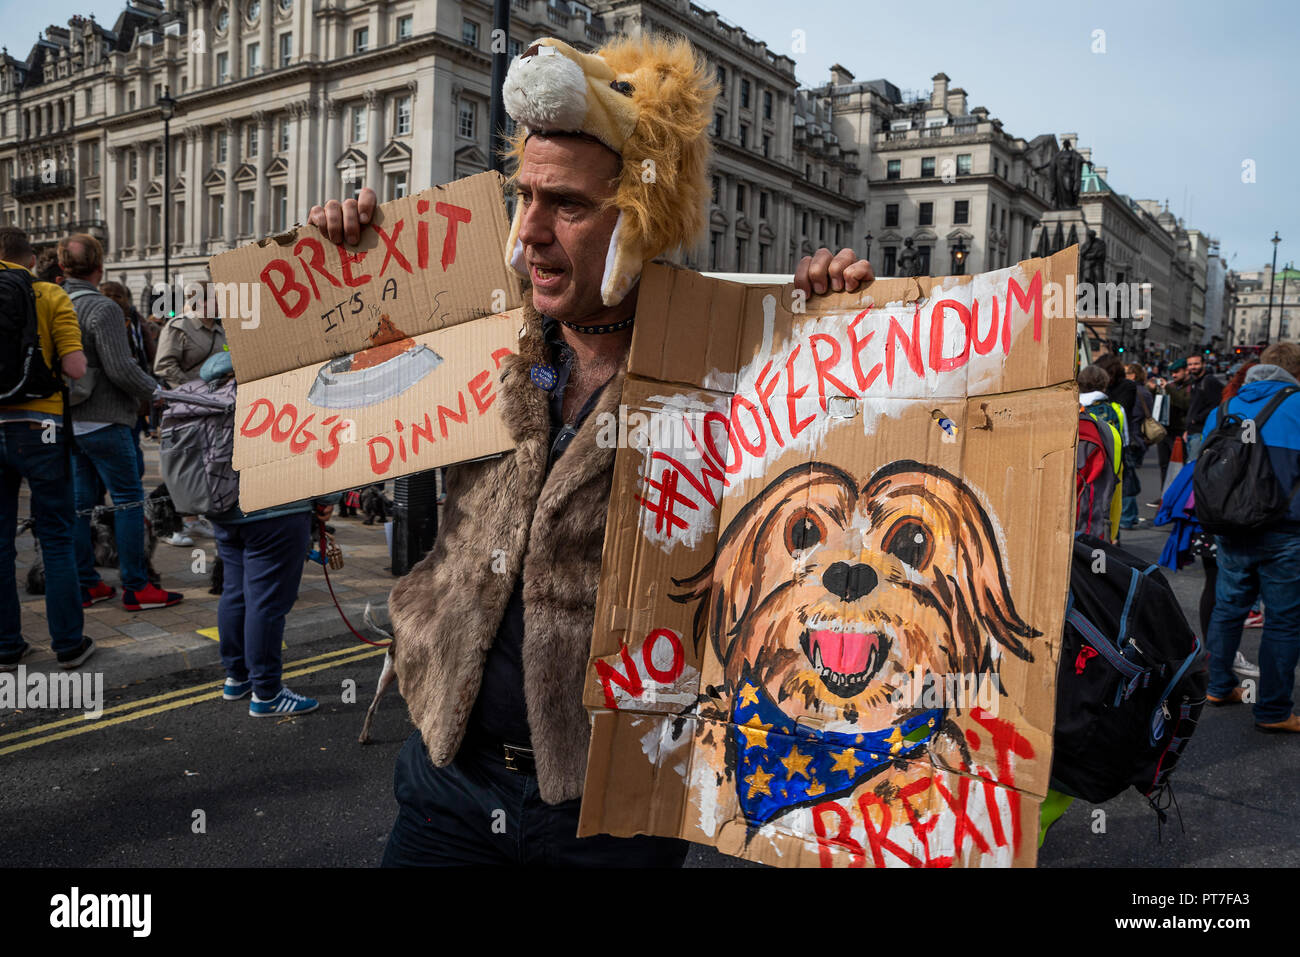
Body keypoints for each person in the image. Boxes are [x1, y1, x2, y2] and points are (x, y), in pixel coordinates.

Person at [311, 34, 873, 866]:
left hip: (613, 802)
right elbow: (335, 399)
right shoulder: (481, 332)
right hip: (448, 778)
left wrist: (846, 339)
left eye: (567, 206)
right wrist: (344, 263)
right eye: (524, 195)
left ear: (639, 216)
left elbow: (834, 501)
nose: (530, 231)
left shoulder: (731, 369)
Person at [197, 352, 337, 716]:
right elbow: (316, 436)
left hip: (225, 505)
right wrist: (326, 498)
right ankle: (268, 693)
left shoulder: (217, 372)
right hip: (277, 507)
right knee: (267, 603)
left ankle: (237, 677)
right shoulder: (286, 372)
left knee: (235, 593)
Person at [59, 233, 184, 612]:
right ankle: (136, 585)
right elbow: (120, 368)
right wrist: (156, 392)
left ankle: (86, 581)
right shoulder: (104, 308)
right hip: (106, 419)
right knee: (129, 502)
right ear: (101, 266)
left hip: (69, 419)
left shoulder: (54, 300)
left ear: (62, 266)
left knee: (82, 505)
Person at [0, 228, 95, 670]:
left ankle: (6, 645)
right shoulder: (51, 296)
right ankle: (69, 644)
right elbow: (75, 368)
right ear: (32, 260)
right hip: (41, 425)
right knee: (55, 537)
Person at [1200, 342, 1300, 732]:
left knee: (1228, 608)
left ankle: (1219, 685)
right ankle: (1274, 710)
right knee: (1283, 621)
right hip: (1285, 531)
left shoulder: (1223, 409)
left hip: (1231, 527)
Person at [153, 280, 227, 387]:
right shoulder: (179, 326)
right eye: (217, 298)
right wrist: (191, 388)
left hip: (221, 395)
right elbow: (164, 366)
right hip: (191, 398)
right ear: (201, 301)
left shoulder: (221, 329)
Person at [1184, 352, 1223, 461]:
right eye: (1190, 364)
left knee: (1194, 465)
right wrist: (1188, 428)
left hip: (1201, 431)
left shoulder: (1209, 381)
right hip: (1192, 431)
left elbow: (1217, 405)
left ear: (1204, 364)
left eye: (1196, 364)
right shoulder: (1194, 382)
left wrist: (1196, 419)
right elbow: (1193, 406)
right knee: (1191, 464)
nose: (1193, 367)